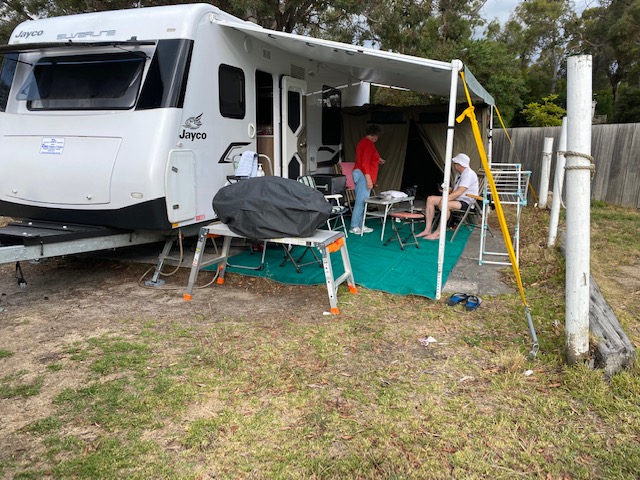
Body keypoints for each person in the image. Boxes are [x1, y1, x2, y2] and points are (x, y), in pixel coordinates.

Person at [416, 153, 479, 240]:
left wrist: (445, 199)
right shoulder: (459, 174)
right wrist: (446, 189)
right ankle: (427, 229)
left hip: (466, 202)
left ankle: (438, 233)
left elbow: (460, 191)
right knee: (430, 199)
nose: (454, 165)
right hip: (457, 199)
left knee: (445, 204)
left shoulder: (469, 174)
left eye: (455, 163)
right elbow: (456, 189)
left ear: (460, 164)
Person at [349, 124, 386, 234]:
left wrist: (378, 159)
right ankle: (354, 226)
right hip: (363, 174)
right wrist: (369, 179)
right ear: (375, 135)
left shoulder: (363, 142)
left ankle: (360, 224)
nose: (377, 138)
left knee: (362, 201)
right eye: (377, 136)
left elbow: (366, 157)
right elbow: (365, 163)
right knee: (361, 201)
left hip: (359, 172)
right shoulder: (369, 144)